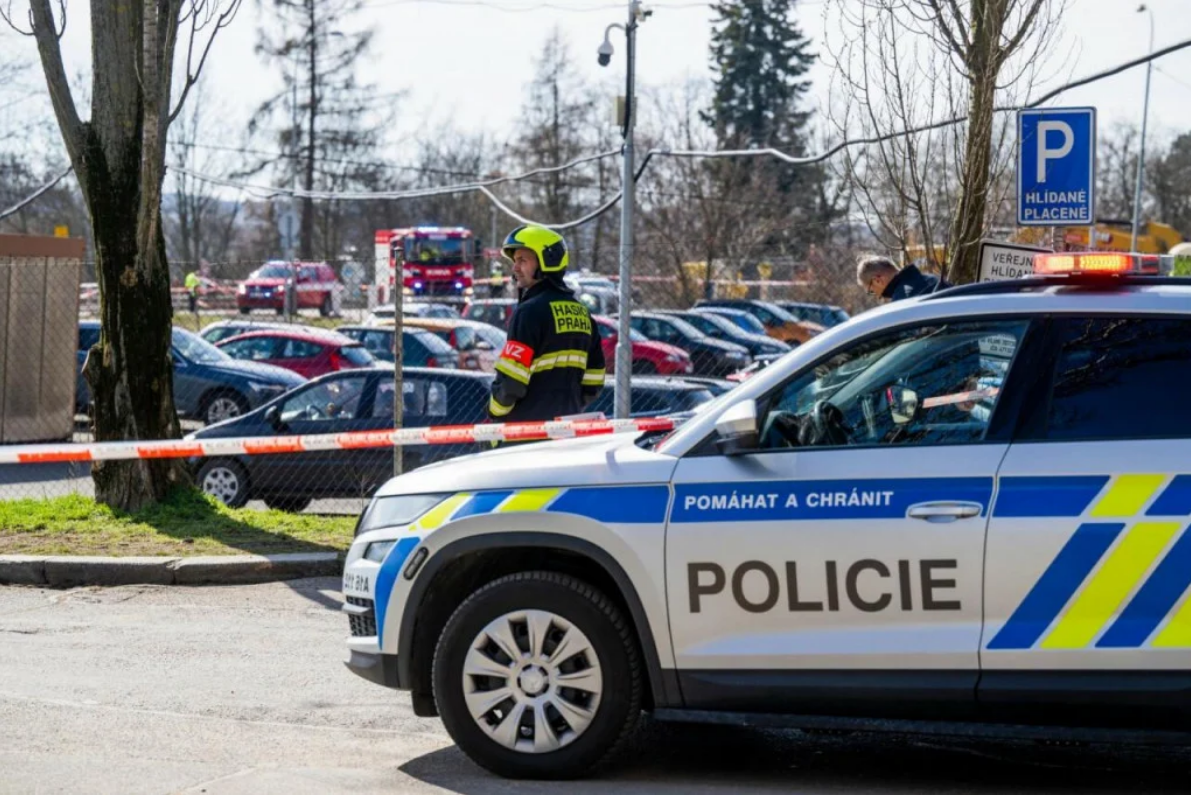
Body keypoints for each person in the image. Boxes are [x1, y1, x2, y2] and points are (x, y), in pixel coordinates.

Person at [488, 225, 605, 424]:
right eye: (515, 261)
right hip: (567, 429)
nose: (515, 268)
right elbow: (594, 381)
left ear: (547, 262)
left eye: (522, 260)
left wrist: (494, 411)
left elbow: (511, 381)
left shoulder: (528, 313)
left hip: (527, 432)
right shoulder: (582, 313)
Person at [856, 255, 951, 303]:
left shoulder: (902, 300)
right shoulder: (932, 279)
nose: (877, 296)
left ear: (878, 280)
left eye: (871, 291)